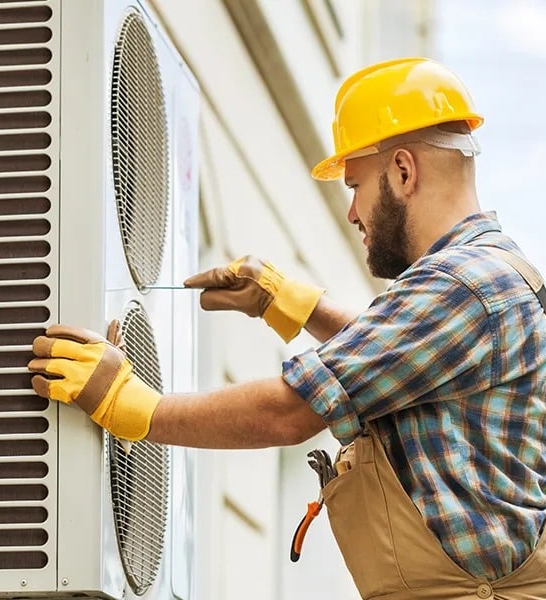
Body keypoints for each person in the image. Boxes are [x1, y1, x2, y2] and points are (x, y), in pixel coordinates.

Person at [28, 57, 546, 599]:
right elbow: (404, 354)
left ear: (402, 171)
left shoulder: (461, 284)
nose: (351, 213)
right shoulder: (485, 274)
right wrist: (293, 305)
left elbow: (288, 412)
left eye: (356, 185)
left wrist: (127, 405)